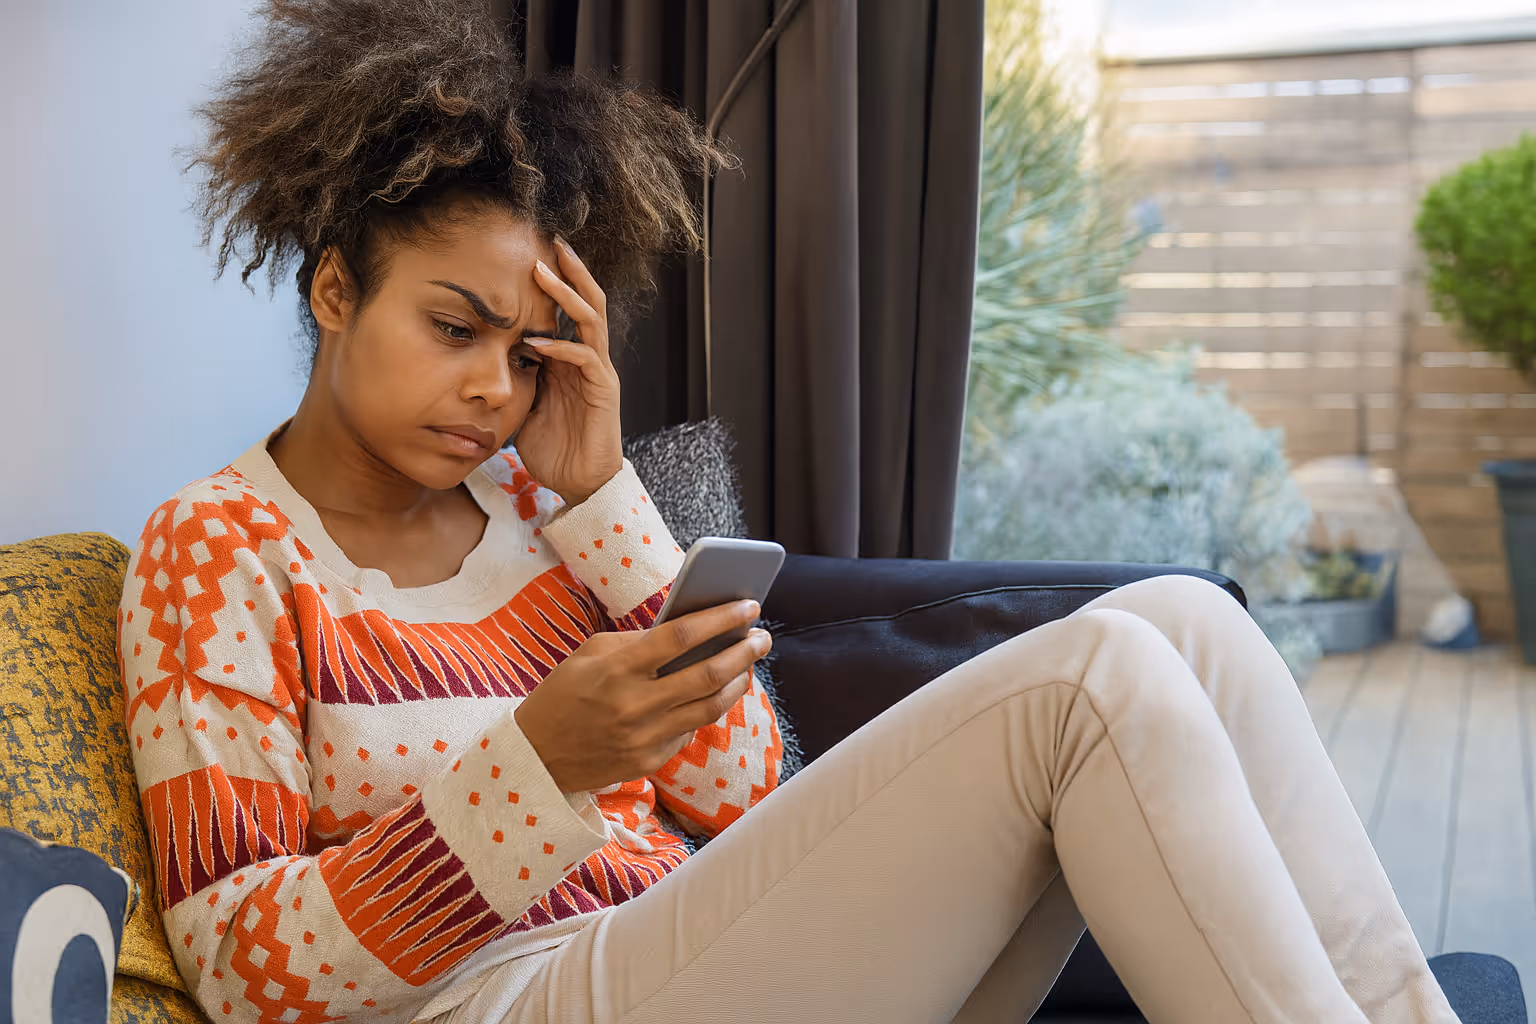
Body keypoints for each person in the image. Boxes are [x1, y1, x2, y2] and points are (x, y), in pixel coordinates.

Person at [117, 2, 1461, 1022]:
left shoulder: (532, 501)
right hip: (501, 996)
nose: (490, 387)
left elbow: (748, 788)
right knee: (1095, 675)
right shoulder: (218, 550)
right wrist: (539, 765)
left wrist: (601, 497)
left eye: (530, 351)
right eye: (454, 327)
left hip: (686, 947)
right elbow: (239, 972)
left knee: (1180, 619)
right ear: (335, 290)